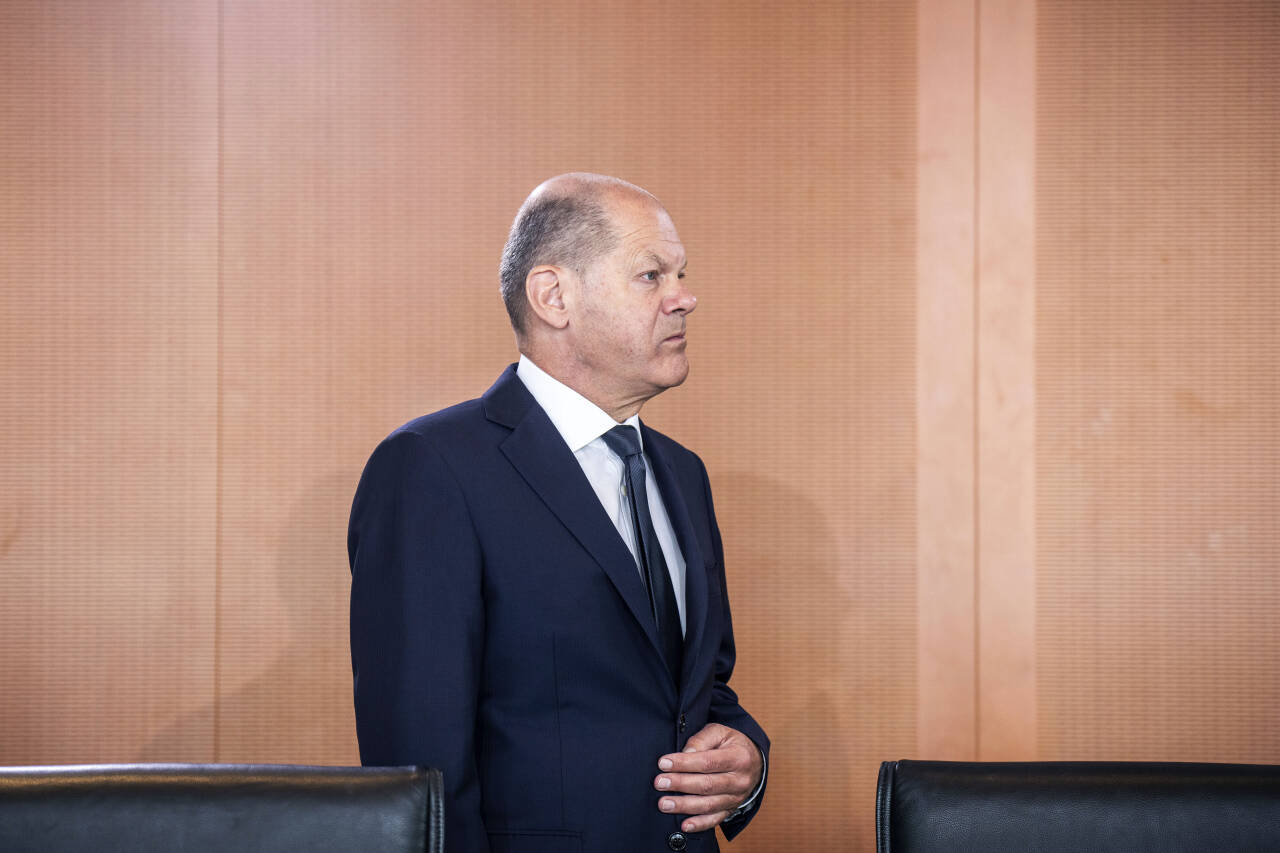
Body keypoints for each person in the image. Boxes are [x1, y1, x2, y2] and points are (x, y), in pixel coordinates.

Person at [348, 173, 768, 853]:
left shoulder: (683, 474)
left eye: (681, 273)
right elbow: (419, 772)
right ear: (554, 296)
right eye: (651, 275)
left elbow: (697, 692)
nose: (685, 297)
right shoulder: (431, 469)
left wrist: (745, 761)